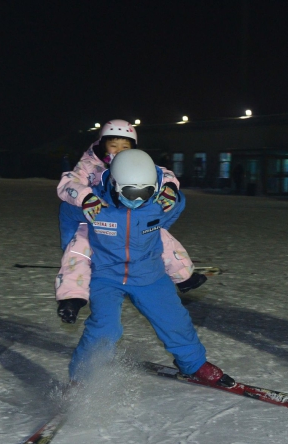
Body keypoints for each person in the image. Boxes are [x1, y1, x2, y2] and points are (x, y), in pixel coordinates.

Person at [62, 149, 234, 387]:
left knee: (174, 319)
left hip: (149, 274)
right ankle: (81, 378)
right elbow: (71, 227)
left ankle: (193, 364)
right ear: (114, 183)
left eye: (147, 192)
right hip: (105, 276)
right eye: (132, 192)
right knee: (105, 327)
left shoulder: (157, 204)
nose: (140, 198)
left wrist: (172, 190)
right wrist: (72, 295)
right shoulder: (95, 205)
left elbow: (167, 225)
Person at [56, 120, 206, 324]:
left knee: (160, 238)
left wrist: (169, 188)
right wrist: (85, 197)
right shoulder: (89, 165)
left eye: (125, 147)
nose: (118, 151)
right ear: (102, 144)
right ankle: (71, 298)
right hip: (97, 219)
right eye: (113, 145)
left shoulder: (137, 162)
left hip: (134, 215)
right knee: (79, 250)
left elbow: (164, 174)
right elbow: (68, 184)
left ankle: (184, 276)